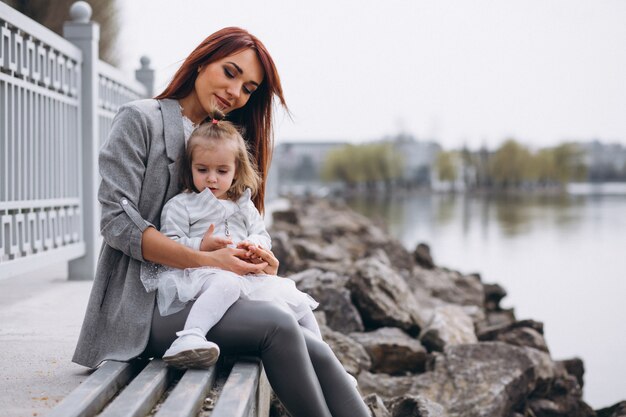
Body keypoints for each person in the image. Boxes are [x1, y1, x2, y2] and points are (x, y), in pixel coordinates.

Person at [72, 27, 370, 417]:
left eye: (248, 88)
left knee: (315, 347)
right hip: (143, 304)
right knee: (278, 326)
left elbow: (241, 226)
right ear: (201, 62)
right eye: (230, 72)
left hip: (211, 292)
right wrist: (208, 260)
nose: (236, 92)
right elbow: (117, 223)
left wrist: (261, 258)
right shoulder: (140, 119)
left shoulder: (224, 140)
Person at [140, 115, 322, 369]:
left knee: (299, 302)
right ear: (189, 167)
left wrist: (254, 246)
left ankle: (325, 360)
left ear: (236, 171)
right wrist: (200, 245)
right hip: (201, 274)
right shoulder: (181, 205)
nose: (212, 179)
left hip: (245, 275)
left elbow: (262, 235)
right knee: (226, 283)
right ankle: (190, 336)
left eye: (222, 171)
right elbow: (170, 244)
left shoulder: (244, 206)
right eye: (202, 170)